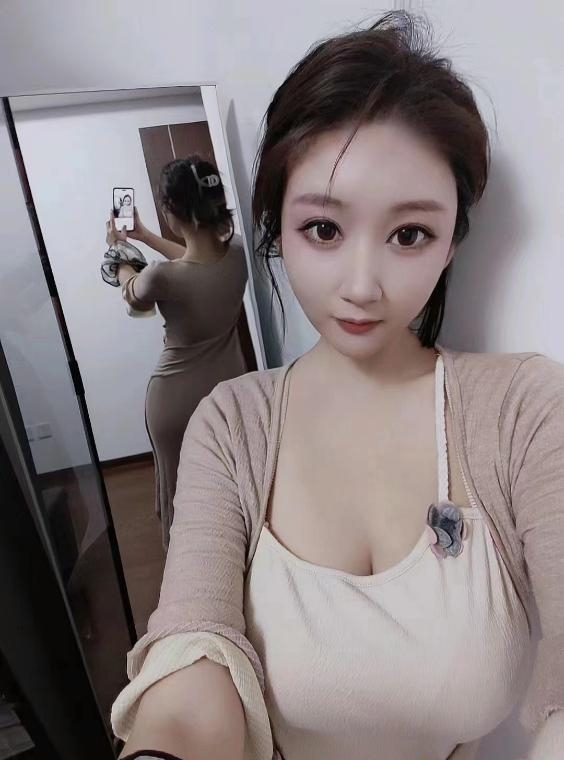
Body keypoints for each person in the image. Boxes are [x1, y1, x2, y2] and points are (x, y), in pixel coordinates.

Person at [110, 11, 564, 760]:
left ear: (452, 241)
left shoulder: (522, 411)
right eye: (323, 229)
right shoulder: (233, 424)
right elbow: (193, 653)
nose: (361, 286)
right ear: (275, 229)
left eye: (409, 234)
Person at [105, 155, 249, 549]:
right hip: (230, 389)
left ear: (171, 211)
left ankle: (188, 568)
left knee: (180, 498)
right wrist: (146, 236)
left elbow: (132, 292)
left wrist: (118, 250)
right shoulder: (238, 252)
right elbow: (194, 261)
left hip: (175, 401)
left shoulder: (161, 277)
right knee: (232, 485)